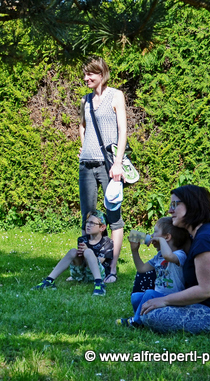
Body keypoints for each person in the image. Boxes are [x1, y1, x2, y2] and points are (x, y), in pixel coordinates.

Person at [139, 185, 210, 333]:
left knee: (152, 315)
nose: (170, 210)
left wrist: (164, 300)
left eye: (175, 205)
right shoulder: (197, 235)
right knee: (146, 298)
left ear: (192, 206)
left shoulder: (206, 239)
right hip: (208, 306)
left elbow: (206, 290)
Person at [78, 56, 128, 284]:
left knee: (113, 216)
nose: (86, 78)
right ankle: (87, 267)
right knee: (87, 217)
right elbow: (82, 124)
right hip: (86, 165)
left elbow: (122, 131)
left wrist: (117, 163)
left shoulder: (116, 96)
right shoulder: (85, 100)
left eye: (91, 74)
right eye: (85, 74)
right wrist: (82, 147)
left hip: (108, 167)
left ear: (102, 74)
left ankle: (112, 268)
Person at [117, 217, 189, 327]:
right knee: (136, 297)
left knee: (149, 293)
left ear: (167, 237)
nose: (151, 235)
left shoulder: (180, 255)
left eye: (155, 232)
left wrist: (161, 240)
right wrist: (134, 250)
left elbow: (168, 256)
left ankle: (136, 321)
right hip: (157, 296)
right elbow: (141, 268)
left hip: (172, 300)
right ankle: (143, 318)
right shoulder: (159, 256)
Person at [33, 210, 112, 296]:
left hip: (97, 275)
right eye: (87, 222)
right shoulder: (82, 239)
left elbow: (100, 261)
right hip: (82, 274)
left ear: (102, 228)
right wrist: (80, 255)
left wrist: (87, 251)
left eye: (92, 223)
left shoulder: (107, 242)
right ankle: (49, 280)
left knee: (88, 251)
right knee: (73, 251)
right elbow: (80, 260)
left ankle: (99, 284)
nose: (88, 225)